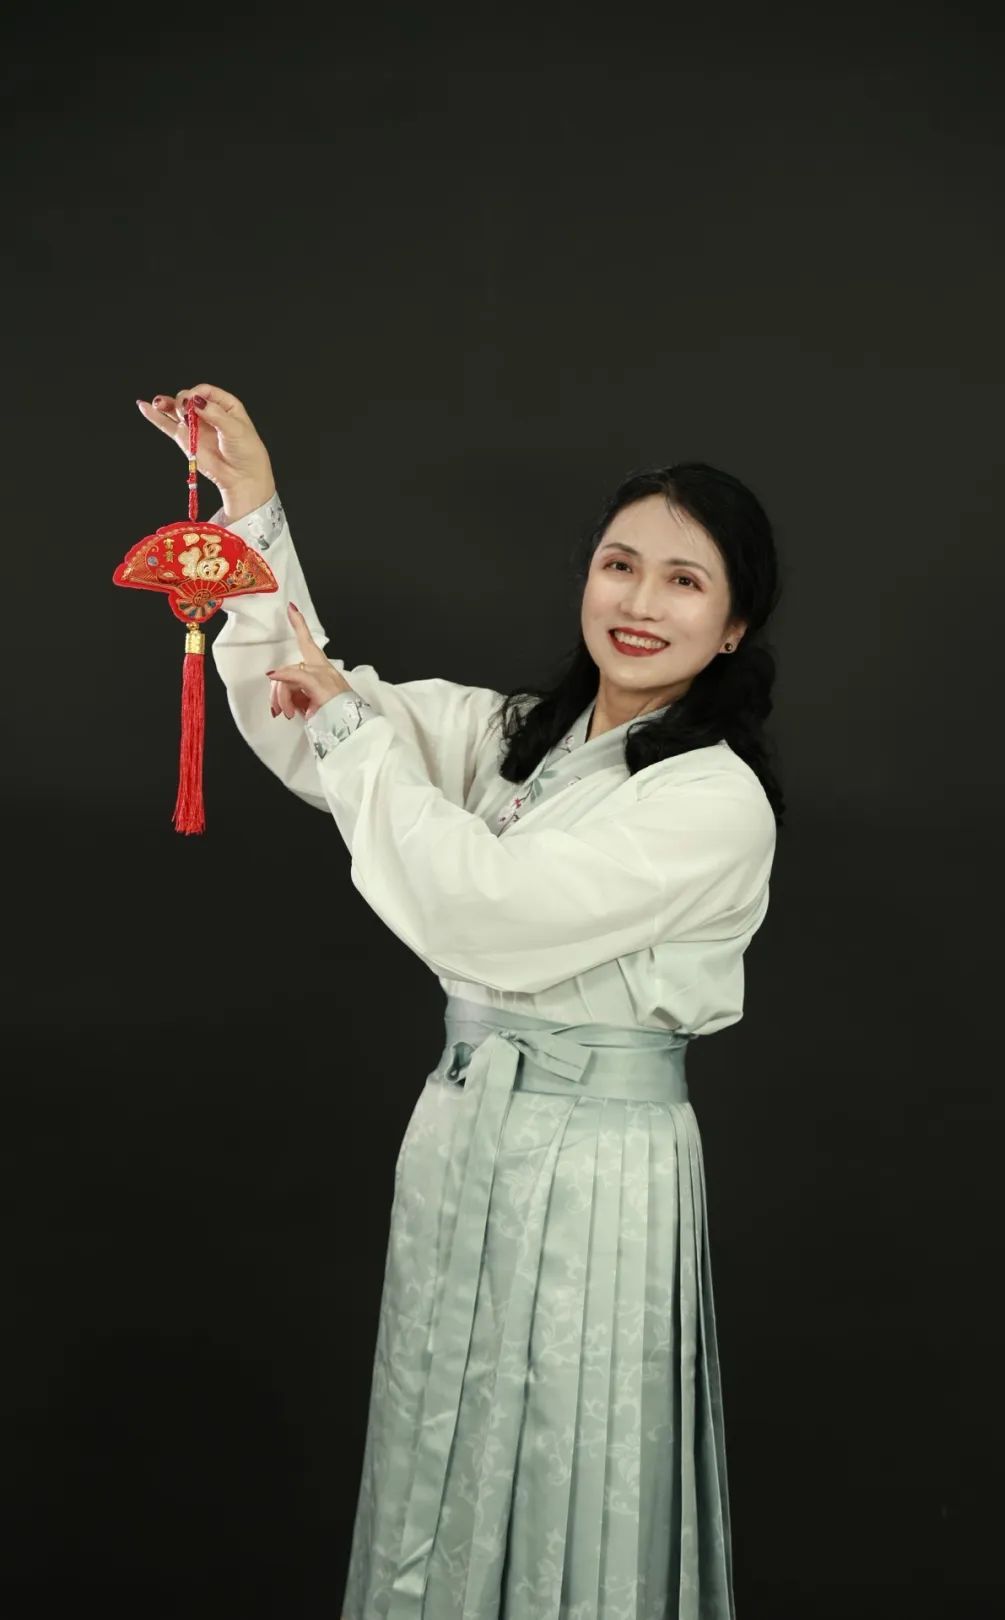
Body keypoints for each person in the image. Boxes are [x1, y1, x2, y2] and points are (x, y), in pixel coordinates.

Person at [136, 382, 785, 1620]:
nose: (640, 602)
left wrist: (350, 727)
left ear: (734, 624)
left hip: (597, 1169)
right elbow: (313, 705)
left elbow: (486, 910)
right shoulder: (513, 738)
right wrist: (250, 505)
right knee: (437, 1436)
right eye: (619, 565)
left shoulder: (711, 800)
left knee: (570, 1457)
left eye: (684, 581)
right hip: (466, 1128)